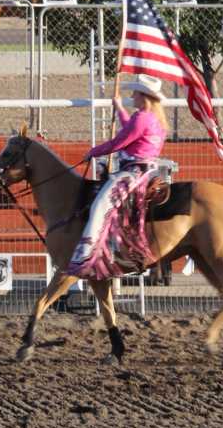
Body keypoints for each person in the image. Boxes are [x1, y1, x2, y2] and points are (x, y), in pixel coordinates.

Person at [68, 74, 168, 277]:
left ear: (143, 96)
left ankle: (86, 256)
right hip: (145, 169)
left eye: (135, 93)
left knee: (100, 205)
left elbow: (119, 142)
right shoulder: (153, 118)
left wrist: (93, 152)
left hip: (134, 172)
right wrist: (120, 108)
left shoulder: (142, 118)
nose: (132, 96)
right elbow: (130, 130)